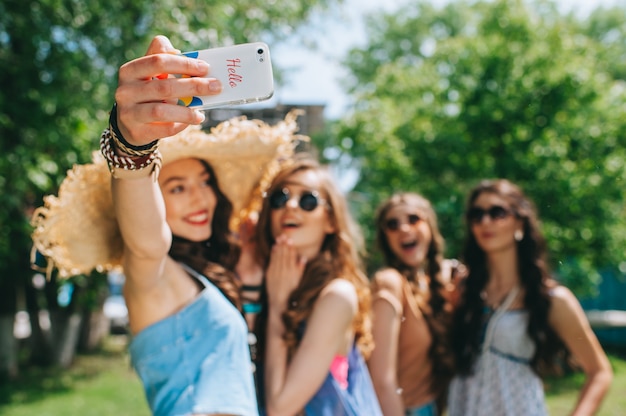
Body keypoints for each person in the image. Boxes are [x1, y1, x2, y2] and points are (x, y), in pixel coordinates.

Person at [31, 35, 302, 416]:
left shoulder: (202, 273)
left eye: (205, 182)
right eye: (176, 187)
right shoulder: (151, 272)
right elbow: (146, 241)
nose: (200, 198)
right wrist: (133, 147)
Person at [447, 179, 613, 416]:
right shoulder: (463, 289)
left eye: (497, 212)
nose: (485, 221)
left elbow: (600, 371)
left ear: (520, 223)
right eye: (477, 214)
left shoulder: (551, 298)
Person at [253, 156, 383, 415]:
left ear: (331, 221)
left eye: (308, 200)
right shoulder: (262, 282)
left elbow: (280, 407)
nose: (290, 205)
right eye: (279, 197)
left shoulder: (337, 296)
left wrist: (279, 303)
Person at [367, 193, 457, 416]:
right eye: (392, 224)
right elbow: (381, 382)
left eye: (414, 219)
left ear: (429, 226)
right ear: (385, 237)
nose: (404, 229)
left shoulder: (431, 285)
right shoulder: (389, 283)